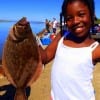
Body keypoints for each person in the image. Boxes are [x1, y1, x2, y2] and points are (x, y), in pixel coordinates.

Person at [39, 0, 100, 100]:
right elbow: (44, 57)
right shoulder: (62, 36)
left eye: (81, 14)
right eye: (69, 18)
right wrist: (32, 40)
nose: (75, 21)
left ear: (92, 15)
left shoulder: (95, 48)